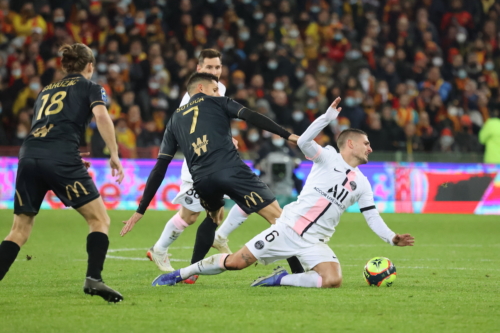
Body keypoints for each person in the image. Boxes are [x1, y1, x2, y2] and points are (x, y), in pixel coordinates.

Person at [151, 98, 415, 289]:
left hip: (314, 241)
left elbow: (372, 217)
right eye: (366, 143)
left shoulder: (363, 184)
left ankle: (280, 279)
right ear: (351, 143)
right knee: (236, 262)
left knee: (333, 279)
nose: (370, 148)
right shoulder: (327, 157)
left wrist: (392, 238)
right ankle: (180, 274)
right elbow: (302, 142)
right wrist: (325, 119)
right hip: (288, 229)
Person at [121, 73, 305, 276]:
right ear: (201, 88)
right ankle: (297, 272)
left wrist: (141, 209)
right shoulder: (218, 102)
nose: (218, 92)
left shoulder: (174, 120)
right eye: (215, 89)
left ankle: (189, 273)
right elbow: (251, 116)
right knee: (279, 219)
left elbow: (160, 167)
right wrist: (287, 135)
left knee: (214, 216)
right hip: (231, 170)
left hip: (202, 180)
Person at [0, 44, 125, 302]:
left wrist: (70, 153)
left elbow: (47, 127)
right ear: (89, 65)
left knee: (19, 230)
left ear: (65, 66)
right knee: (99, 220)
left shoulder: (45, 91)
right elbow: (101, 117)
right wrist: (114, 154)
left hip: (29, 155)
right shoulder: (91, 87)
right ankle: (94, 279)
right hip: (60, 158)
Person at [144, 49, 251, 281]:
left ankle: (217, 239)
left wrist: (225, 138)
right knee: (191, 216)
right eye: (210, 68)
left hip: (216, 158)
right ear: (199, 69)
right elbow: (190, 129)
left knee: (217, 212)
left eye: (218, 67)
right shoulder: (192, 96)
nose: (215, 72)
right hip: (199, 163)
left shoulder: (218, 89)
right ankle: (160, 250)